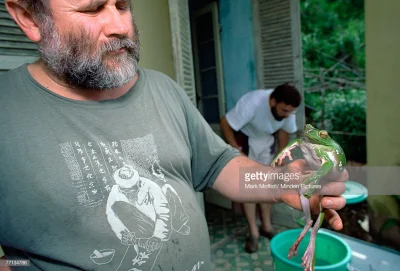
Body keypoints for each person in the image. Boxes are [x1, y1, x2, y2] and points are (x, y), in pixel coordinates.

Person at [0, 1, 348, 270]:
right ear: (29, 17)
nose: (121, 25)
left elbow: (218, 165)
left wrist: (277, 182)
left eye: (122, 5)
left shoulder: (164, 89)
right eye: (92, 8)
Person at [220, 83, 302, 253]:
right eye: (284, 111)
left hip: (266, 142)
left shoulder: (287, 109)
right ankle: (254, 233)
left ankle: (266, 227)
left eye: (290, 112)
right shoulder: (253, 102)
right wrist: (235, 150)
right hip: (245, 139)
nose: (287, 115)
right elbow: (225, 123)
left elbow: (284, 131)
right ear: (272, 102)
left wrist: (281, 156)